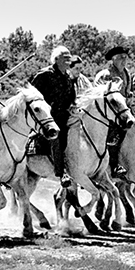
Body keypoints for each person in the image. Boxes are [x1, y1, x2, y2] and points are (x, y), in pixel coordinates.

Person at [29, 46, 77, 189]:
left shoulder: (68, 77)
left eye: (70, 57)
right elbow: (31, 95)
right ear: (56, 59)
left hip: (65, 114)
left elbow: (72, 97)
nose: (69, 60)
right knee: (56, 137)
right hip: (47, 117)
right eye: (65, 57)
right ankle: (61, 172)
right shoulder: (43, 75)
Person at [94, 45, 133, 177]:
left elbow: (127, 92)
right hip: (106, 114)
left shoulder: (127, 74)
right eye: (121, 58)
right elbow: (98, 98)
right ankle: (113, 165)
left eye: (125, 58)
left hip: (122, 111)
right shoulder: (105, 75)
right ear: (113, 60)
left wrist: (130, 98)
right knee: (114, 135)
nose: (124, 60)